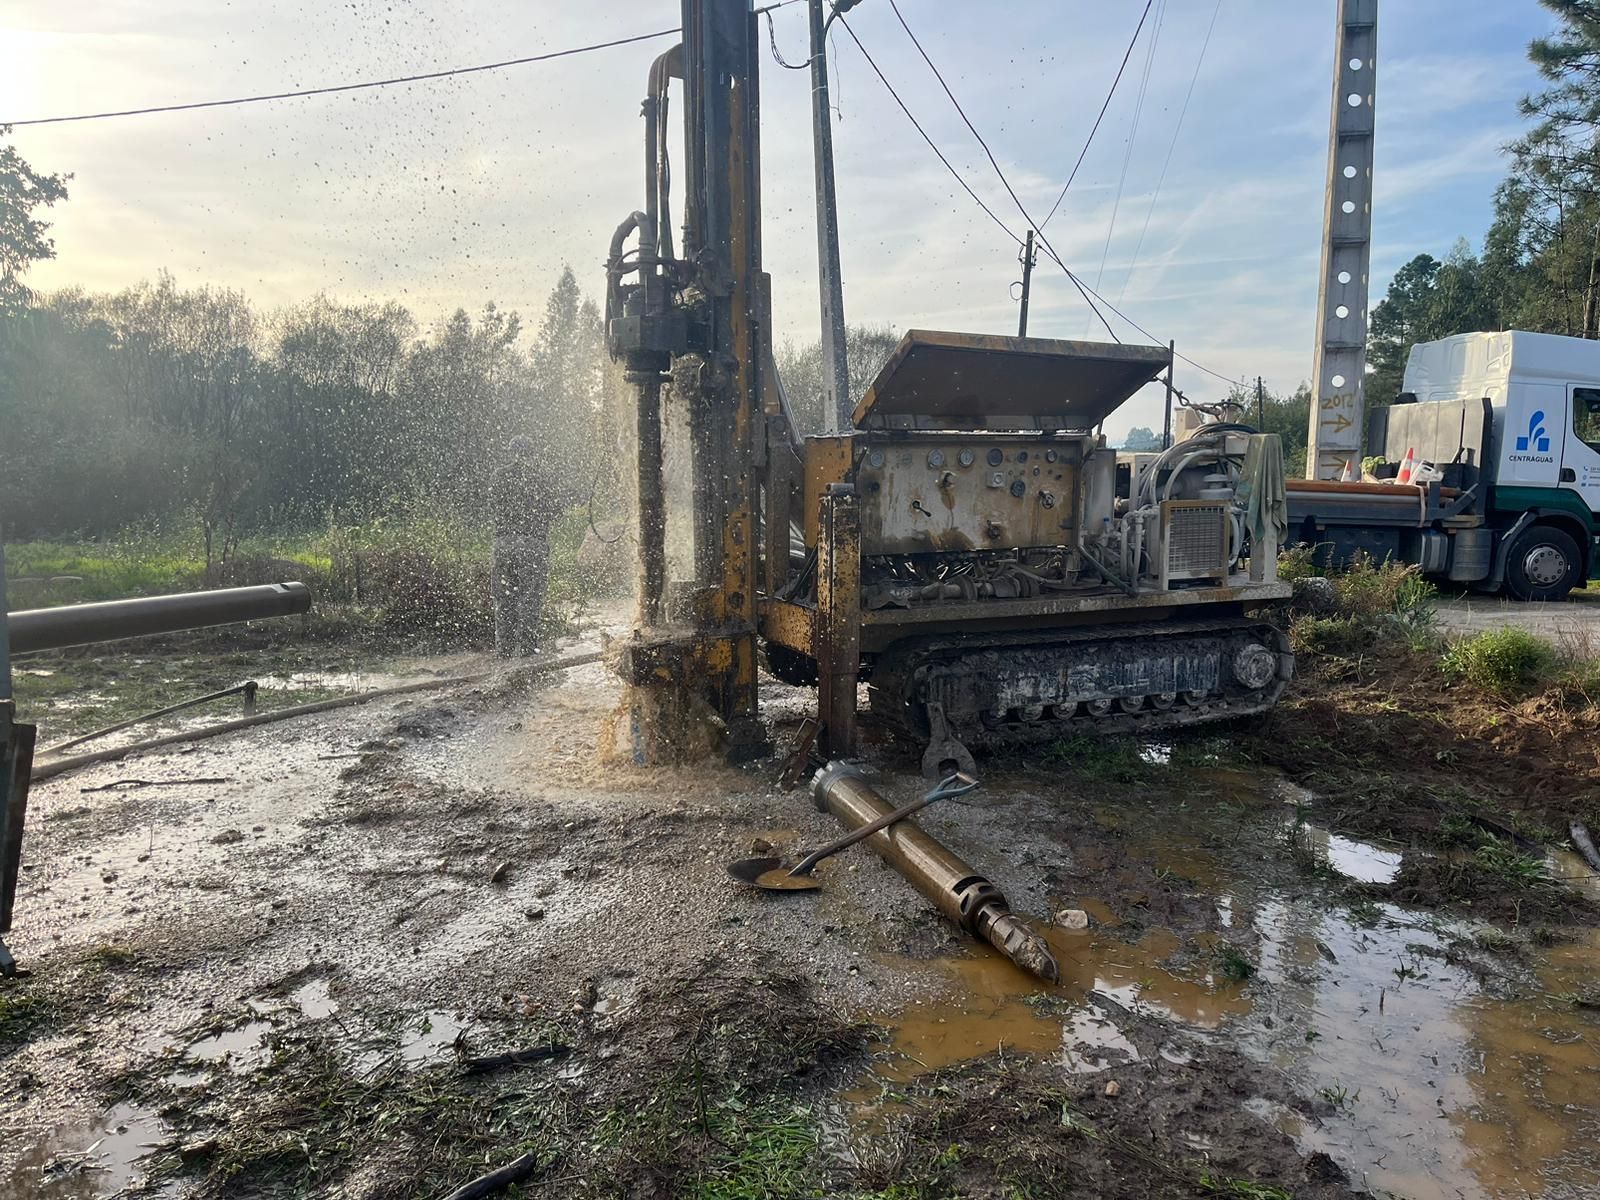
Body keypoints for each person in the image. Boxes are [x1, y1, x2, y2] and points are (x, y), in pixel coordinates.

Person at [490, 436, 555, 658]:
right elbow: (553, 510)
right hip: (533, 544)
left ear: (511, 452)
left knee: (504, 599)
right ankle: (528, 651)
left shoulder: (499, 476)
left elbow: (495, 506)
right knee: (530, 600)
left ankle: (504, 651)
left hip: (504, 544)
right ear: (533, 453)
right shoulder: (542, 477)